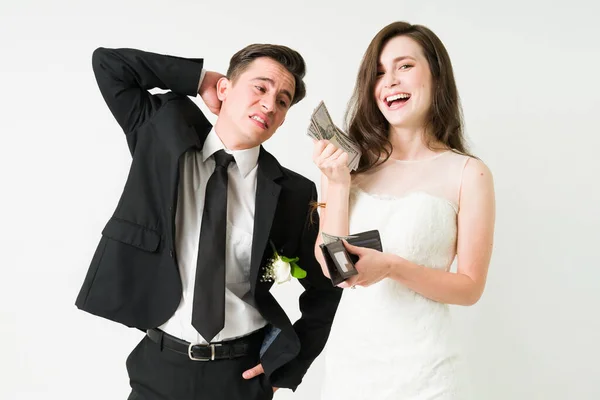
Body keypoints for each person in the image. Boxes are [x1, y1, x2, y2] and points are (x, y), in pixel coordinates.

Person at [75, 44, 342, 400]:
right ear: (226, 89)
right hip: (159, 368)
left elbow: (326, 287)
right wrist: (200, 79)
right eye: (260, 88)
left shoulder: (293, 193)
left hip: (241, 376)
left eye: (282, 101)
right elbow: (109, 65)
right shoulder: (162, 132)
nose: (269, 104)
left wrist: (291, 365)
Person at [312, 21, 495, 399]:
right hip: (351, 365)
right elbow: (332, 267)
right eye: (379, 73)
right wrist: (339, 184)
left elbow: (469, 288)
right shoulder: (349, 168)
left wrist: (393, 267)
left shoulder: (468, 172)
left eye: (404, 66)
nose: (390, 81)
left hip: (427, 371)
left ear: (436, 76)